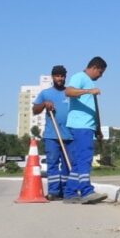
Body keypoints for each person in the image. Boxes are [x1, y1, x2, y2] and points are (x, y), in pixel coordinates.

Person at [64, 56, 108, 204]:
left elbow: (91, 108)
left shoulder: (88, 82)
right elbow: (68, 92)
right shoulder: (80, 77)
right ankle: (86, 191)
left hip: (86, 126)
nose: (100, 76)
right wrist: (89, 91)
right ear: (94, 67)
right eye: (100, 72)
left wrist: (97, 129)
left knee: (77, 162)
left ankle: (70, 193)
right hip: (80, 126)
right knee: (85, 159)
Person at [32, 65, 72, 199]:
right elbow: (34, 110)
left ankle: (67, 191)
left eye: (62, 76)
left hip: (69, 135)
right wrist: (44, 104)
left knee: (67, 164)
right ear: (52, 77)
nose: (60, 78)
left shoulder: (70, 93)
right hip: (51, 135)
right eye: (57, 76)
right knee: (52, 163)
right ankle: (54, 192)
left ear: (65, 77)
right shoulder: (45, 93)